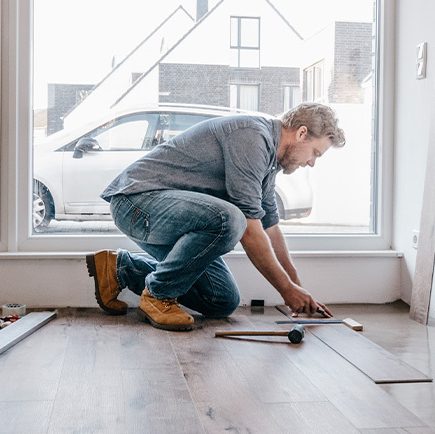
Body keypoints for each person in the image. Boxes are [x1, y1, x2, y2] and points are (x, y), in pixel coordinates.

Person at [86, 102, 345, 331]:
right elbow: (249, 229)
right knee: (231, 219)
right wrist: (286, 290)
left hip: (162, 215)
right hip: (136, 204)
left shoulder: (269, 162)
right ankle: (157, 296)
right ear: (301, 133)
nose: (312, 163)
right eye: (316, 153)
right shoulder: (252, 137)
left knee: (221, 300)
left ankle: (120, 268)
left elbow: (270, 228)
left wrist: (299, 290)